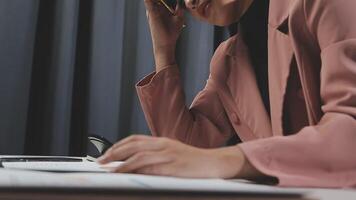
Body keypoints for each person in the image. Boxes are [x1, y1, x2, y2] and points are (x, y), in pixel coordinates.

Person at [98, 0, 356, 188]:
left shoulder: (327, 4)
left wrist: (231, 160)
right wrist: (163, 52)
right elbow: (185, 152)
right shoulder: (227, 61)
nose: (190, 2)